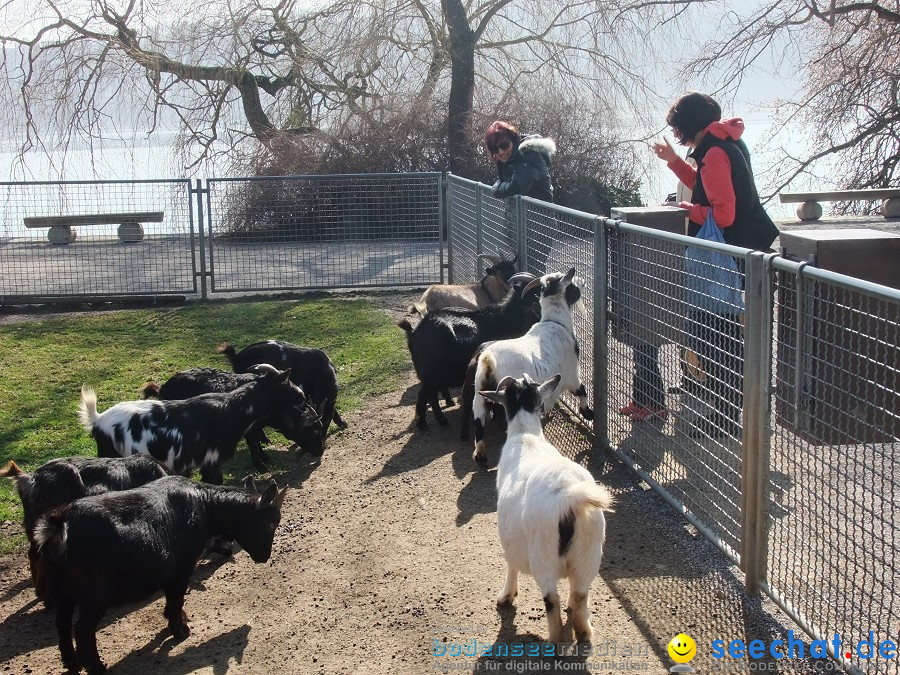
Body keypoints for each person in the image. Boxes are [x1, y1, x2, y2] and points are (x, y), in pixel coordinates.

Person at [651, 92, 779, 438]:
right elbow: (707, 187)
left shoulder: (715, 152)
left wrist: (686, 211)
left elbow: (724, 213)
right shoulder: (721, 144)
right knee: (719, 332)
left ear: (688, 124)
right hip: (743, 251)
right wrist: (675, 162)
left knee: (715, 334)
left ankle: (726, 409)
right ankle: (729, 406)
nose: (675, 132)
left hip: (729, 257)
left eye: (677, 126)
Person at [483, 121, 556, 202]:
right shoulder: (509, 158)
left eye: (504, 145)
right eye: (494, 149)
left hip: (538, 212)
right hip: (517, 211)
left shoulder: (529, 153)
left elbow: (518, 187)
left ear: (513, 140)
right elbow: (508, 181)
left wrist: (497, 188)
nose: (501, 152)